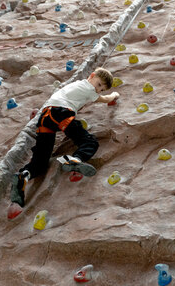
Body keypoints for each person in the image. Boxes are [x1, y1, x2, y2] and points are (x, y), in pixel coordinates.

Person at [9, 67, 118, 212]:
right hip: (61, 113)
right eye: (99, 85)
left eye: (102, 89)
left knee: (41, 159)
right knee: (89, 142)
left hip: (45, 116)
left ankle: (24, 176)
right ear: (91, 76)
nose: (98, 90)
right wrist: (115, 94)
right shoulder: (87, 87)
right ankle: (74, 160)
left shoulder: (74, 85)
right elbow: (105, 99)